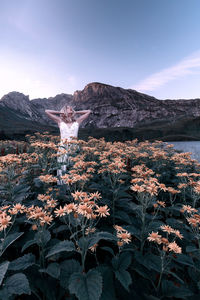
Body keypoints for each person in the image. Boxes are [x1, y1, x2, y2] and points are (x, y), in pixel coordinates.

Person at [45, 105, 92, 185]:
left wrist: (75, 112)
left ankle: (74, 186)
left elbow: (89, 111)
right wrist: (60, 112)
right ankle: (62, 187)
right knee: (62, 166)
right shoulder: (60, 121)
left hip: (74, 146)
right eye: (68, 109)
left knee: (74, 166)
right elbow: (47, 111)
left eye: (71, 109)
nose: (70, 110)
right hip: (62, 147)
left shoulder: (77, 121)